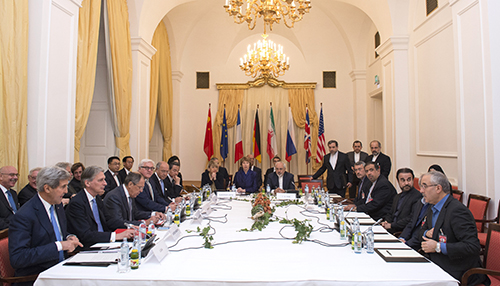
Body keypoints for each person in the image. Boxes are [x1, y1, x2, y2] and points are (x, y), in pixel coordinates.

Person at [9, 166, 83, 281]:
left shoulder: (57, 205)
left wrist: (69, 237)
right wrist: (59, 246)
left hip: (61, 269)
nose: (66, 191)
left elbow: (55, 231)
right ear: (47, 188)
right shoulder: (24, 215)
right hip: (37, 277)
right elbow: (18, 258)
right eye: (63, 187)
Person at [419, 171, 486, 285]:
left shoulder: (457, 211)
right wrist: (426, 233)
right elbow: (421, 231)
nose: (421, 191)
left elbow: (472, 246)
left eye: (424, 186)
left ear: (438, 188)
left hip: (457, 269)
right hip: (435, 262)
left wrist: (438, 247)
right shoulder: (433, 206)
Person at [65, 166, 135, 248]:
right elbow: (85, 235)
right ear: (87, 183)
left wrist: (130, 226)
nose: (105, 183)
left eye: (104, 179)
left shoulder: (97, 198)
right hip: (89, 247)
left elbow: (109, 220)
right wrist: (115, 236)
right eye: (100, 180)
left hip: (104, 244)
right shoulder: (77, 203)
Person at [381, 168, 422, 234]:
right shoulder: (397, 196)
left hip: (402, 232)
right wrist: (386, 222)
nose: (406, 183)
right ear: (398, 181)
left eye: (409, 180)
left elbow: (411, 218)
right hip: (391, 229)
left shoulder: (417, 196)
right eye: (403, 180)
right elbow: (391, 213)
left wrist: (391, 225)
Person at [0, 166, 20, 230]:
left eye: (16, 175)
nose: (15, 177)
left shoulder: (13, 193)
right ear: (1, 176)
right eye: (12, 175)